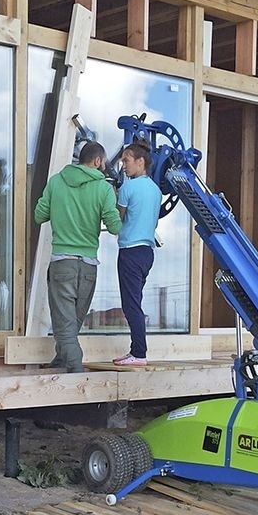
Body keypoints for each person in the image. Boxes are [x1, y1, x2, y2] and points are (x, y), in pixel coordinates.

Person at [34, 140, 121, 373]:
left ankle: (72, 365)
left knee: (65, 321)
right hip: (88, 265)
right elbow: (114, 226)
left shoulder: (56, 182)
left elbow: (39, 215)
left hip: (62, 263)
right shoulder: (104, 189)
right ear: (98, 161)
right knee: (71, 321)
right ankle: (66, 361)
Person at [113, 139, 162, 367]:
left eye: (127, 161)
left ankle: (139, 353)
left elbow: (117, 219)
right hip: (147, 253)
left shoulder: (128, 188)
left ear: (140, 161)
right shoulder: (156, 190)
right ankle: (136, 351)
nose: (123, 165)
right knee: (136, 302)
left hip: (130, 252)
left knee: (131, 305)